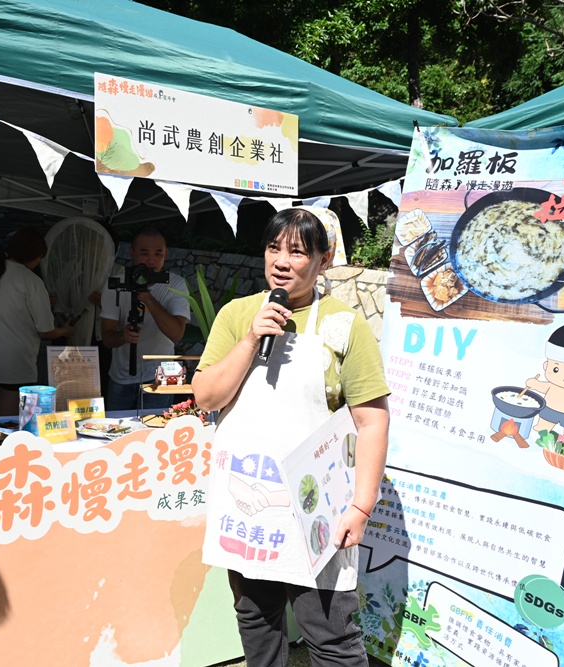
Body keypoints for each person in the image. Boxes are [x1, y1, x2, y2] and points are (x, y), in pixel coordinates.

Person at [192, 207, 390, 667]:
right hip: (248, 506)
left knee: (331, 635)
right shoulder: (237, 313)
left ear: (324, 260)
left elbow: (372, 421)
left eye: (298, 251)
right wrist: (248, 341)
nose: (281, 261)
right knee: (256, 625)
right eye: (273, 247)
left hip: (316, 510)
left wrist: (361, 506)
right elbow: (207, 396)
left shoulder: (345, 325)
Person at [0, 228, 73, 416]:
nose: (38, 263)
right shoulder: (30, 280)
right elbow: (46, 330)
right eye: (39, 258)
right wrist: (65, 331)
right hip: (13, 363)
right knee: (6, 423)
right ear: (33, 256)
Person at [100, 226, 190, 411]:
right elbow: (107, 339)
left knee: (154, 432)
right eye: (144, 253)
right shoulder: (115, 285)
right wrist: (123, 336)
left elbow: (176, 334)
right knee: (117, 431)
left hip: (160, 376)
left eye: (158, 253)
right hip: (121, 375)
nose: (151, 260)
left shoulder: (175, 285)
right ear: (132, 253)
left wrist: (147, 297)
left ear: (166, 254)